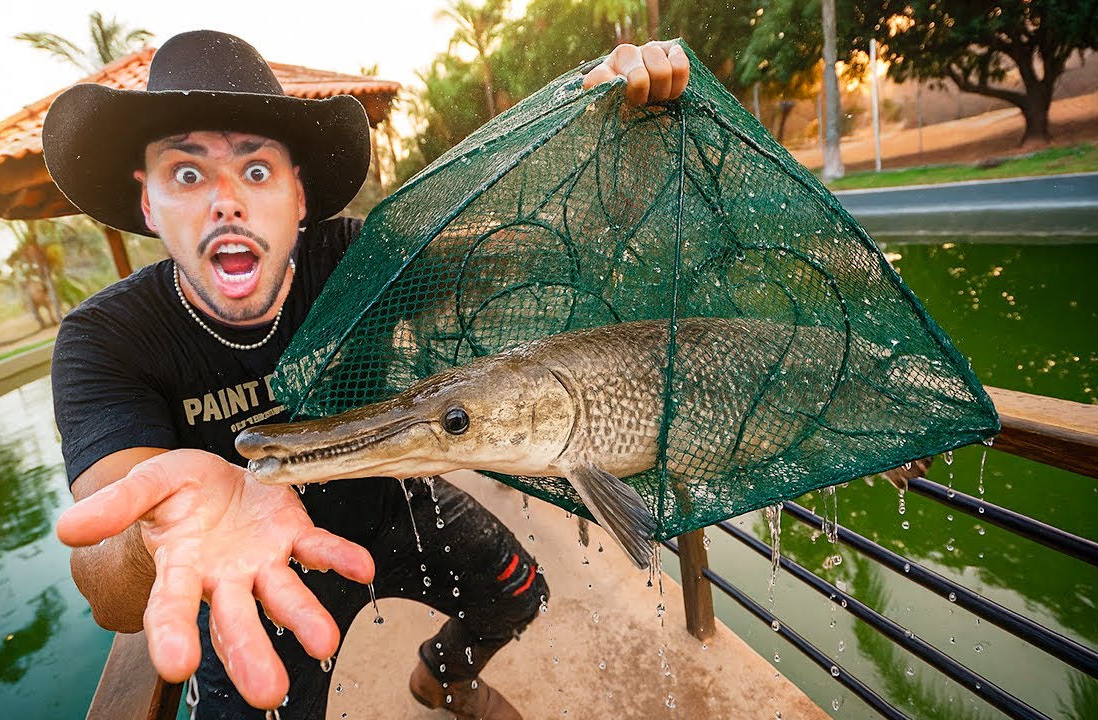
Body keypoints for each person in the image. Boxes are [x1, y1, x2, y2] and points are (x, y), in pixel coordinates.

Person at [44, 29, 690, 720]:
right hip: (252, 562)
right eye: (187, 173)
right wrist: (155, 533)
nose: (224, 202)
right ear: (149, 204)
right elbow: (107, 588)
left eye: (256, 171)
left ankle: (443, 677)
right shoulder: (104, 338)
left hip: (396, 502)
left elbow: (537, 251)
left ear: (299, 195)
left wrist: (600, 133)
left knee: (516, 592)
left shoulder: (362, 261)